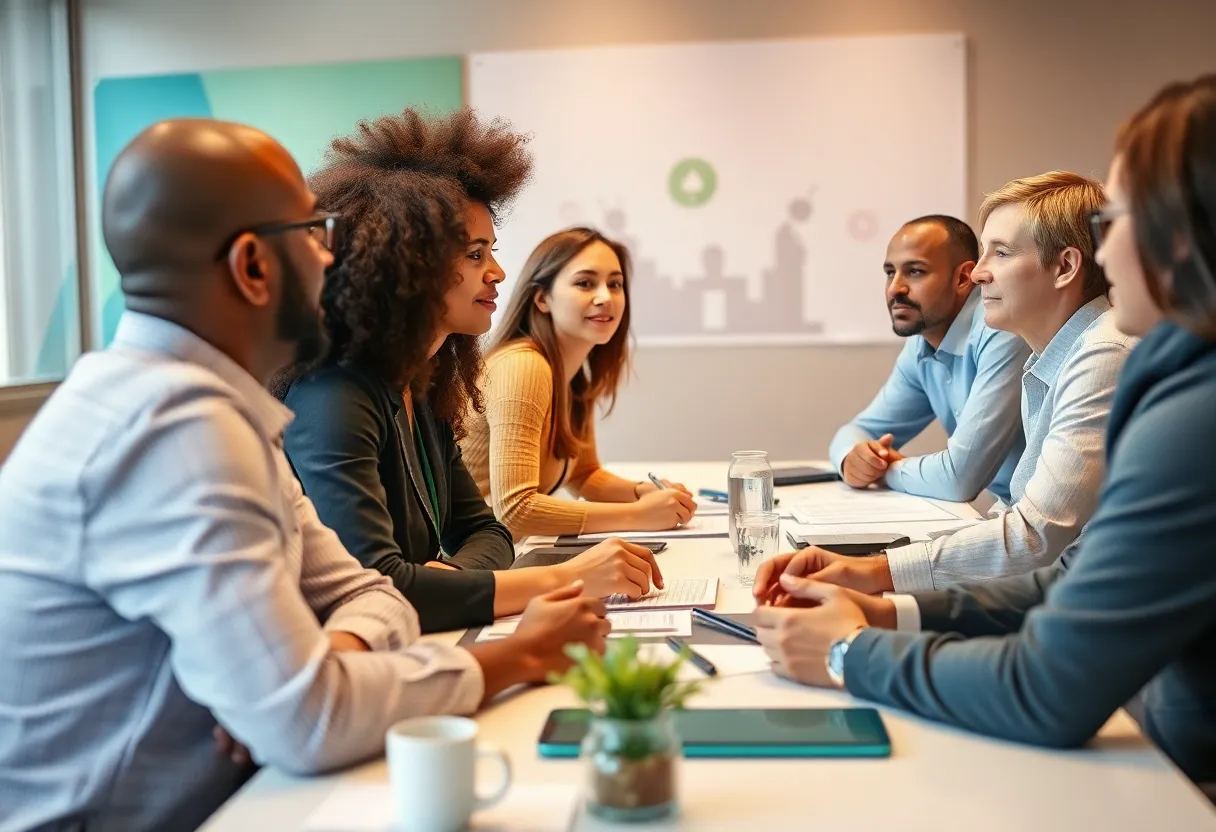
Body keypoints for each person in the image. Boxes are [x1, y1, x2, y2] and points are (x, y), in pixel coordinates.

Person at [0, 120, 611, 832]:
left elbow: (366, 593)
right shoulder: (173, 429)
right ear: (254, 265)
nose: (334, 257)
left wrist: (330, 656)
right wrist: (517, 657)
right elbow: (309, 721)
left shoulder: (208, 405)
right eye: (315, 232)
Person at [750, 75, 1216, 788]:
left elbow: (1048, 685)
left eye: (1114, 223)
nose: (1105, 253)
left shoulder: (1181, 398)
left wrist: (848, 652)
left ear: (1182, 237)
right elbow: (1070, 577)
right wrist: (883, 607)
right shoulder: (1168, 370)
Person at [278, 110, 663, 635]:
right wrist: (568, 577)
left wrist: (452, 579)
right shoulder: (333, 397)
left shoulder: (422, 385)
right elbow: (379, 589)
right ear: (404, 265)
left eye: (492, 252)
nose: (498, 272)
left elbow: (486, 530)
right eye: (474, 253)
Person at [807, 173, 1136, 594]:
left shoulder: (1103, 352)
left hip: (1101, 607)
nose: (978, 274)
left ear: (1065, 267)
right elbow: (1017, 516)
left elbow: (1036, 536)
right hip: (1067, 590)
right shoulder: (1050, 356)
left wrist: (880, 571)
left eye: (1000, 253)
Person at [460, 226, 698, 539]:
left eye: (615, 284)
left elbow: (584, 475)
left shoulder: (571, 374)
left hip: (509, 553)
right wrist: (638, 514)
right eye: (585, 283)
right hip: (468, 563)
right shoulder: (523, 366)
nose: (605, 297)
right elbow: (514, 511)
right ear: (542, 298)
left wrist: (643, 492)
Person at [830, 215, 1028, 503]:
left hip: (1071, 537)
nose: (894, 288)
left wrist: (887, 470)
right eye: (890, 272)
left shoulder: (1000, 331)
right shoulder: (921, 346)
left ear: (963, 278)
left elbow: (960, 480)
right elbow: (858, 430)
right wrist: (853, 458)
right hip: (1015, 521)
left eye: (915, 272)